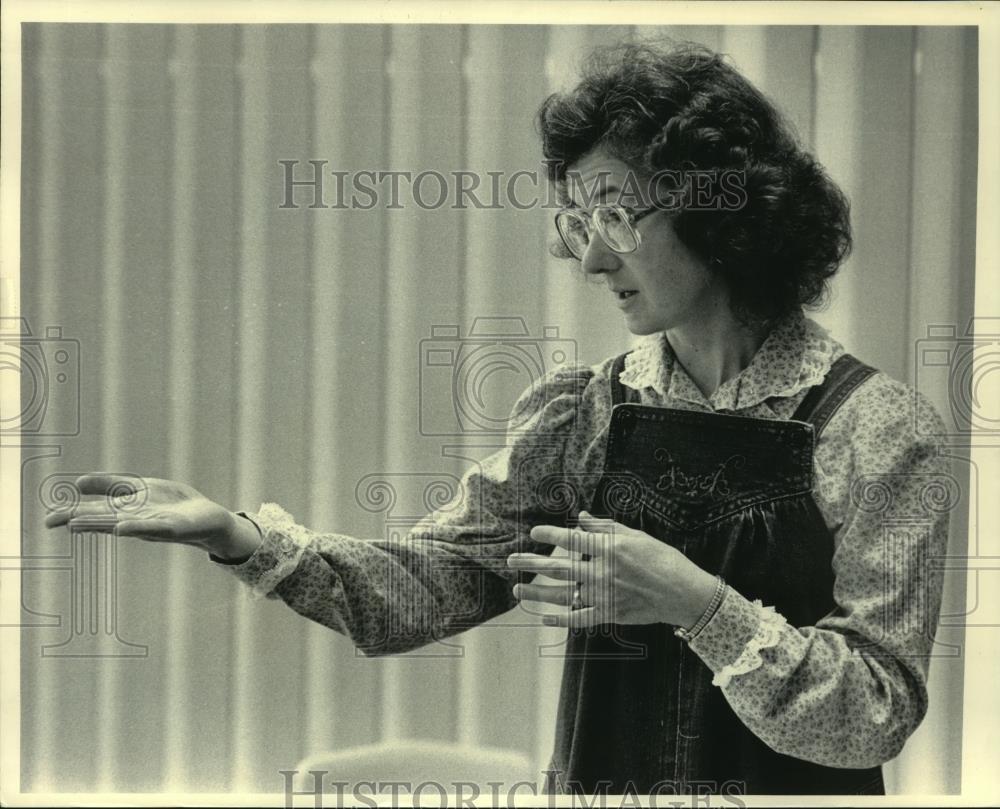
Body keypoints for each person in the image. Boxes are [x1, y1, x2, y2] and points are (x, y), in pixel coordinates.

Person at [45, 41, 950, 796]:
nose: (591, 258)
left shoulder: (878, 431)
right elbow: (430, 582)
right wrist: (236, 535)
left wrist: (690, 598)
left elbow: (871, 713)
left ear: (725, 212)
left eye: (617, 215)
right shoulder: (585, 415)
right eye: (576, 219)